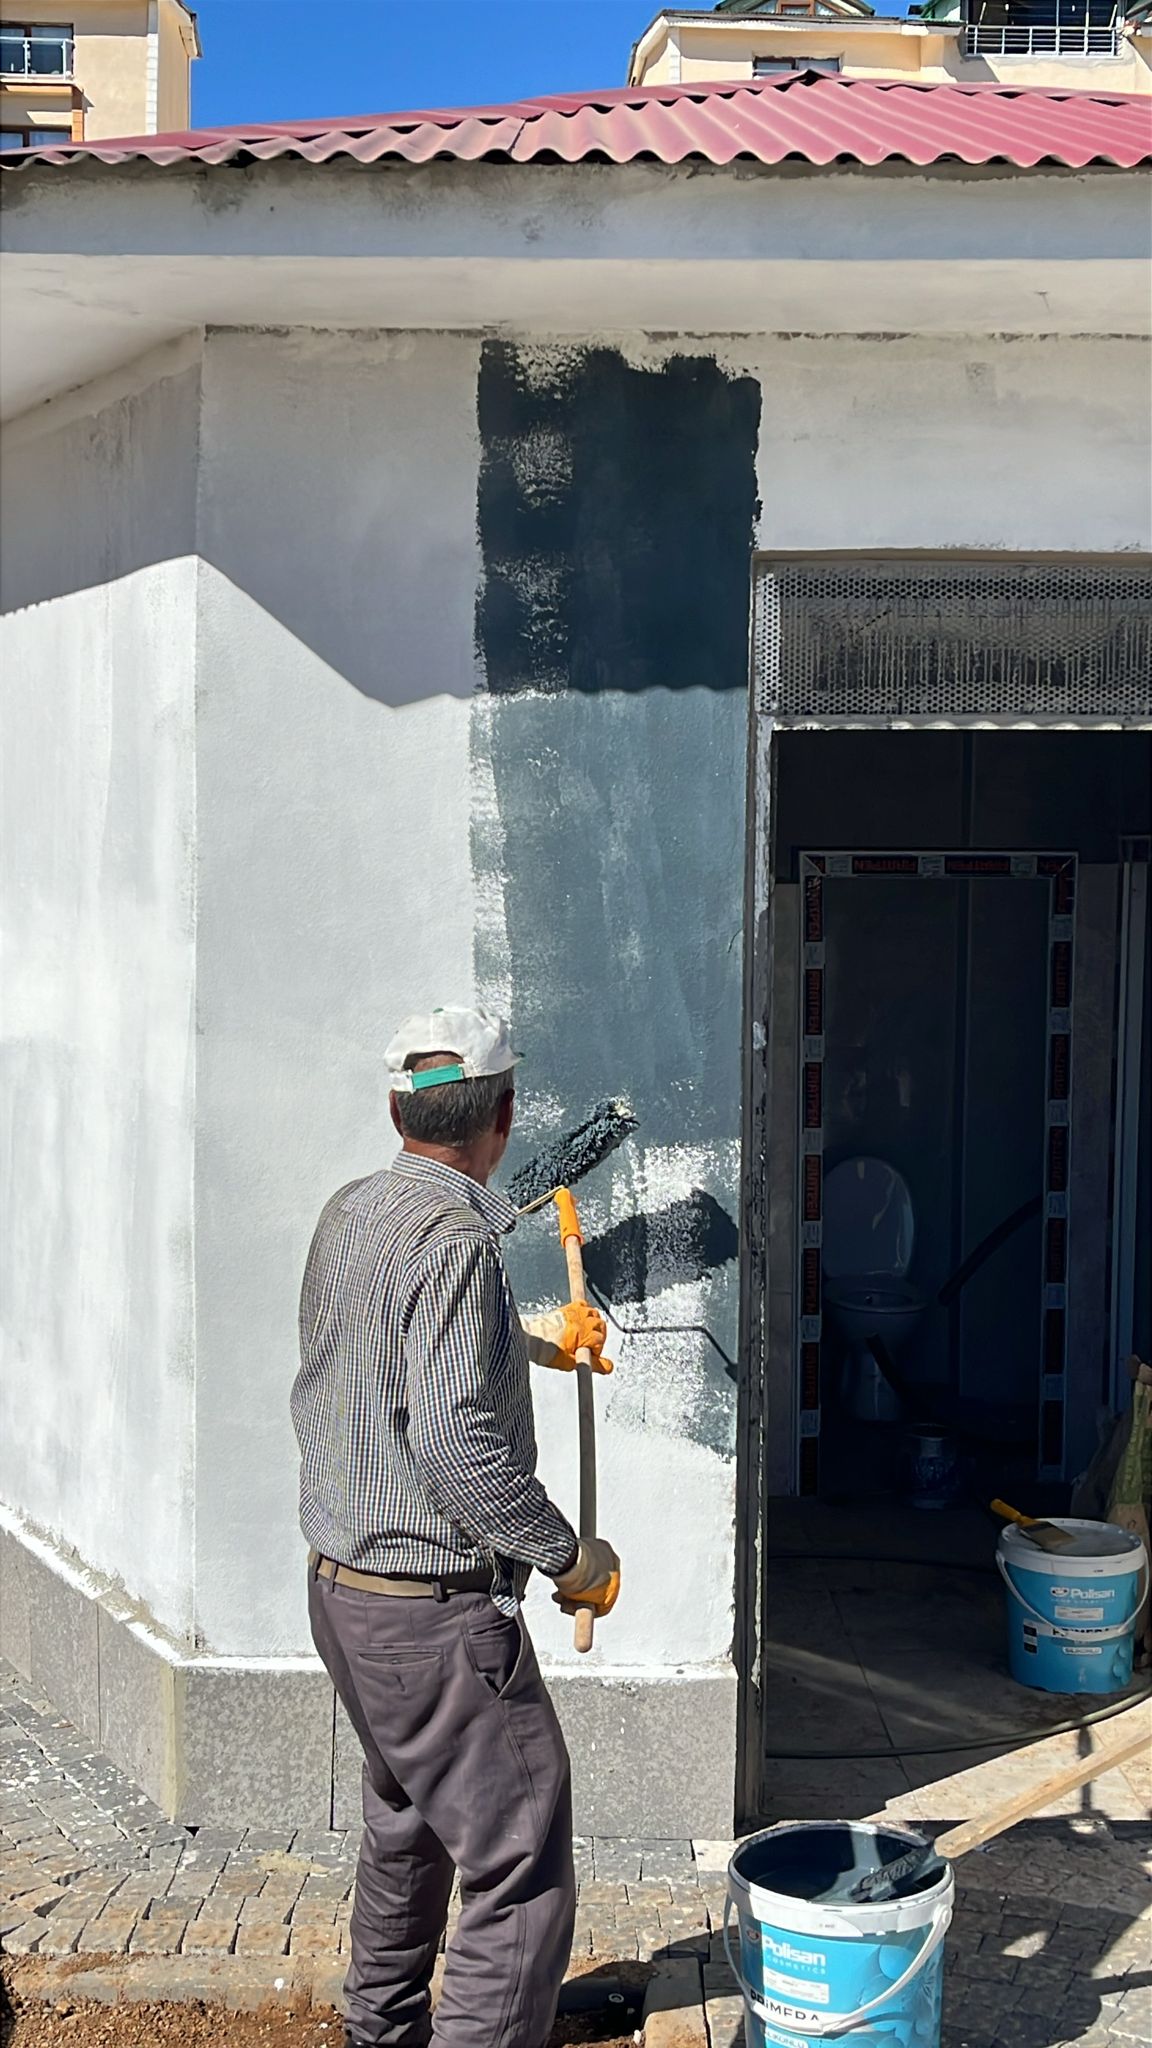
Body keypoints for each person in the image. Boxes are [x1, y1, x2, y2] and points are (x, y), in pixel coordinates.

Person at [291, 1006, 621, 2048]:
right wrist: (568, 1555)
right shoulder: (461, 1244)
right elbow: (452, 1442)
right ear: (504, 1116)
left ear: (398, 1112)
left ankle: (380, 2031)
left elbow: (389, 1354)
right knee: (520, 1860)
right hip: (431, 1620)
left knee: (409, 1818)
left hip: (344, 1597)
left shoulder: (352, 1211)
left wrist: (536, 1340)